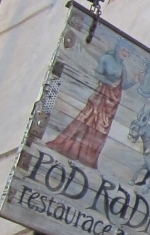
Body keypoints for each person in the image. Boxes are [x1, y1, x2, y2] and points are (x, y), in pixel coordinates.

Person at [47, 39, 136, 169]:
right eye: (124, 50)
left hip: (112, 103)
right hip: (102, 96)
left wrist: (135, 81)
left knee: (100, 129)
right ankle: (72, 147)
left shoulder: (123, 69)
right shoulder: (107, 58)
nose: (125, 54)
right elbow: (98, 74)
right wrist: (109, 83)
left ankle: (88, 156)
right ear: (118, 48)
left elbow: (123, 85)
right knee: (88, 120)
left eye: (128, 53)